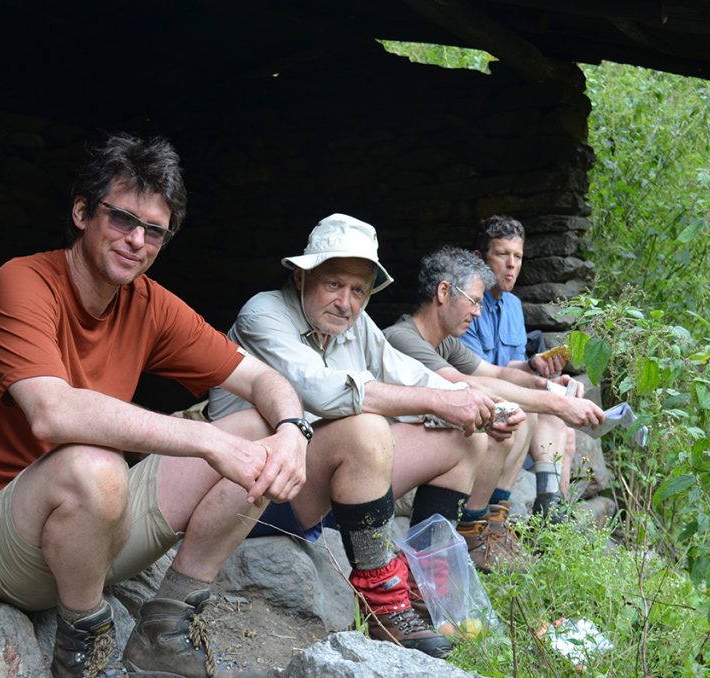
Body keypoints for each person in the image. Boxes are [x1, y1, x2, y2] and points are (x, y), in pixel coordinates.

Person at [0, 133, 310, 678]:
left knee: (256, 428)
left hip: (87, 534)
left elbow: (261, 378)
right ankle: (85, 645)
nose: (136, 240)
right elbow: (53, 413)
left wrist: (294, 431)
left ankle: (168, 622)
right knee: (95, 465)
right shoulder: (21, 284)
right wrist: (207, 439)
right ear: (82, 212)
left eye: (154, 230)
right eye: (122, 219)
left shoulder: (148, 303)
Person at [207, 214, 524, 658]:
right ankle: (384, 602)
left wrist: (476, 405)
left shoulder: (356, 324)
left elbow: (408, 372)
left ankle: (425, 588)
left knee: (464, 438)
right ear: (301, 275)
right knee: (364, 427)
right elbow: (325, 392)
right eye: (333, 283)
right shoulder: (263, 313)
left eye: (358, 290)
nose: (346, 302)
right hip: (250, 490)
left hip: (318, 482)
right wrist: (438, 403)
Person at [385, 246, 605, 566]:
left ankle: (489, 526)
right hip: (402, 477)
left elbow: (498, 373)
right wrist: (556, 405)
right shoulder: (401, 338)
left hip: (429, 467)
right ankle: (470, 530)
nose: (478, 312)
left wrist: (546, 385)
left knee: (519, 412)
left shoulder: (444, 342)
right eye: (474, 301)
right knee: (496, 420)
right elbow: (467, 385)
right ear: (444, 292)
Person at [460, 214, 598, 520]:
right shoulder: (466, 305)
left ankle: (552, 519)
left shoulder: (512, 306)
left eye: (518, 256)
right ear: (479, 258)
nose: (512, 265)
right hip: (478, 401)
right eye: (502, 254)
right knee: (544, 409)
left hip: (510, 397)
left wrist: (536, 366)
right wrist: (537, 383)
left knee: (564, 426)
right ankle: (543, 516)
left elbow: (510, 366)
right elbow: (474, 372)